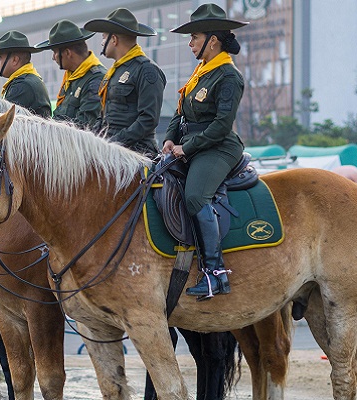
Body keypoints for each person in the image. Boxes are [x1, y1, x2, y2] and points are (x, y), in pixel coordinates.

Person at [163, 3, 248, 298]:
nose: (190, 43)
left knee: (196, 196)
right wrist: (170, 139)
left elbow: (221, 127)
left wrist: (187, 147)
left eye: (194, 37)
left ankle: (215, 274)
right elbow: (180, 111)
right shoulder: (201, 72)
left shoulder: (228, 77)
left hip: (218, 148)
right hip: (190, 146)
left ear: (212, 41)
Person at [84, 8, 166, 157]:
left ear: (114, 39)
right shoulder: (114, 72)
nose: (102, 43)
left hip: (136, 153)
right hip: (110, 148)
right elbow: (104, 117)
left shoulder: (146, 70)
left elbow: (148, 119)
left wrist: (115, 142)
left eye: (104, 37)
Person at [35, 20, 106, 128]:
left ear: (68, 53)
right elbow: (60, 116)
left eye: (55, 52)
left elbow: (84, 126)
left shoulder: (96, 79)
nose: (53, 57)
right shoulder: (72, 78)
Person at [0, 30, 52, 118]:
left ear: (15, 60)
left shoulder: (22, 86)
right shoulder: (27, 80)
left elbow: (2, 121)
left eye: (0, 58)